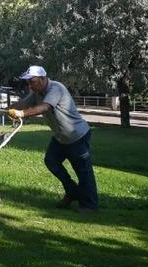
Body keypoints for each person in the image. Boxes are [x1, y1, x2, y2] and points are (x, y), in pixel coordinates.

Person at [6, 66, 98, 212]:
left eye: (32, 81)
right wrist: (5, 110)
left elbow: (44, 107)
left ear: (43, 79)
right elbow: (23, 104)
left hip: (77, 136)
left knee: (83, 171)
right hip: (60, 137)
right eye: (28, 82)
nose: (30, 85)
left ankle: (89, 206)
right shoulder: (37, 92)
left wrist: (21, 114)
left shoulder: (56, 88)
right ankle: (72, 191)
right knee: (51, 161)